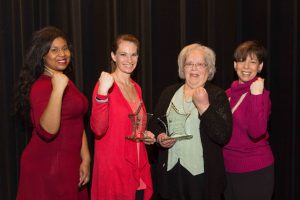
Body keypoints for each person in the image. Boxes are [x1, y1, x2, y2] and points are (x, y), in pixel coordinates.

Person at [15, 26, 90, 200]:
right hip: (47, 169)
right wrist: (57, 90)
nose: (62, 54)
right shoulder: (42, 86)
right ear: (43, 55)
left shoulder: (64, 81)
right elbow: (48, 131)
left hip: (70, 166)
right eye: (54, 50)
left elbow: (77, 121)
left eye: (64, 48)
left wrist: (85, 158)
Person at [149, 43, 232, 200]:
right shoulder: (169, 93)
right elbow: (154, 124)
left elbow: (223, 136)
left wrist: (205, 107)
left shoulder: (217, 95)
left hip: (201, 176)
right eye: (189, 64)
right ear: (183, 68)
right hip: (171, 173)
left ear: (208, 69)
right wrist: (160, 137)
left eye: (200, 64)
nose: (194, 69)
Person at [90, 34, 155, 200]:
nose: (129, 59)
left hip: (138, 168)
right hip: (114, 171)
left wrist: (143, 134)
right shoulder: (105, 85)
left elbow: (130, 125)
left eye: (134, 54)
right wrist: (103, 92)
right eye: (123, 54)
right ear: (113, 56)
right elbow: (98, 128)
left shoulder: (136, 88)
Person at [223, 41, 274, 200]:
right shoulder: (226, 95)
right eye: (242, 60)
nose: (246, 66)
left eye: (253, 62)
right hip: (227, 168)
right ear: (235, 64)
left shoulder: (261, 95)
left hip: (254, 169)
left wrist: (256, 96)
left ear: (260, 67)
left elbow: (256, 132)